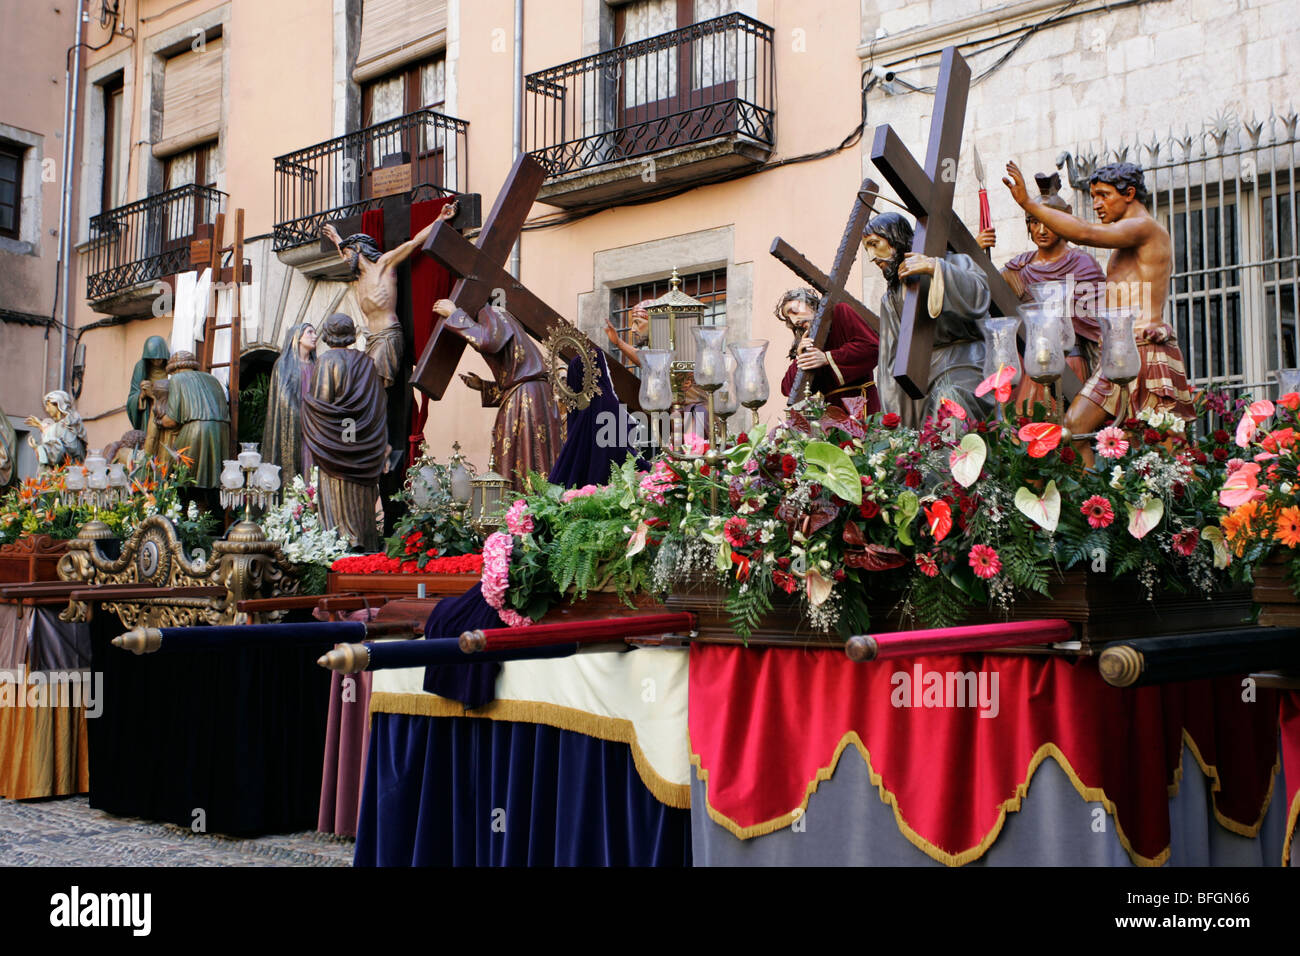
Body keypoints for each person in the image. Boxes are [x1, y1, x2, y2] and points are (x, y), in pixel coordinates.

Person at [1002, 160, 1195, 459]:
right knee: (1075, 427)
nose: (1096, 205)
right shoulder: (1126, 238)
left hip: (1144, 349)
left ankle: (1193, 502)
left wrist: (1028, 202)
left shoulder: (1144, 228)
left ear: (1129, 193)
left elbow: (1087, 233)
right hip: (1117, 353)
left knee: (1167, 448)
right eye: (1093, 196)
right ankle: (1091, 502)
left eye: (1104, 195)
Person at [978, 172, 1106, 412]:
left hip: (1071, 363)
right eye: (1034, 221)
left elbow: (1100, 330)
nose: (1042, 229)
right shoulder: (1017, 268)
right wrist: (975, 251)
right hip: (1029, 368)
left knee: (1071, 436)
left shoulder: (1083, 265)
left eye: (1048, 221)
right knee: (1027, 435)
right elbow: (981, 297)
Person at [861, 212, 992, 427]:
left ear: (896, 239)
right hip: (920, 375)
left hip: (966, 363)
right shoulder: (891, 298)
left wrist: (936, 268)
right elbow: (889, 361)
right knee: (919, 440)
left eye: (875, 244)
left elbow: (980, 295)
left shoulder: (953, 261)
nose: (872, 257)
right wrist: (894, 420)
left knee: (950, 404)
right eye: (867, 249)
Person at [432, 298, 563, 491]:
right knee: (528, 456)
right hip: (529, 394)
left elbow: (488, 341)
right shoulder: (501, 317)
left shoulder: (491, 312)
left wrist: (455, 315)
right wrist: (484, 387)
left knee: (526, 458)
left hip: (525, 398)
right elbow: (514, 378)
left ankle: (523, 510)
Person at [300, 314, 388, 552]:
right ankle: (364, 540)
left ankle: (340, 543)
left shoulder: (326, 361)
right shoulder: (367, 363)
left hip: (335, 445)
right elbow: (378, 405)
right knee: (359, 493)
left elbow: (320, 405)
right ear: (351, 334)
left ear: (328, 335)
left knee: (337, 491)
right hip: (362, 444)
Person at [776, 288, 880, 413]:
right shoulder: (808, 340)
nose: (795, 321)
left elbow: (871, 347)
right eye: (789, 318)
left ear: (809, 303)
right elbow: (789, 390)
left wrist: (827, 358)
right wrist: (800, 357)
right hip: (829, 415)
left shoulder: (840, 311)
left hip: (859, 406)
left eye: (794, 311)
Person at [157, 352, 229, 489]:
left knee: (178, 474)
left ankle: (180, 507)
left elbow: (172, 421)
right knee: (214, 480)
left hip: (197, 428)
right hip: (222, 431)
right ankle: (208, 508)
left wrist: (158, 421)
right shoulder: (212, 379)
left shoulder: (177, 379)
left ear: (174, 369)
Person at [263, 322, 317, 481]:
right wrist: (300, 416)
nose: (315, 336)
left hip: (315, 426)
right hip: (294, 424)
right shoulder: (284, 364)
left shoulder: (317, 365)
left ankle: (311, 500)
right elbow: (283, 399)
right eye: (310, 332)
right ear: (298, 338)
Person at [126, 335, 171, 457]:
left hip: (167, 412)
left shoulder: (171, 367)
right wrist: (141, 396)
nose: (156, 362)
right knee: (150, 443)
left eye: (159, 358)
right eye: (152, 359)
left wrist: (155, 394)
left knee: (166, 445)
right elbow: (131, 398)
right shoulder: (141, 367)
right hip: (150, 412)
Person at [26, 390, 87, 473]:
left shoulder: (65, 425)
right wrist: (42, 427)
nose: (47, 410)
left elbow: (57, 452)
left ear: (58, 404)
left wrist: (37, 447)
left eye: (48, 405)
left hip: (66, 477)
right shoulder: (70, 424)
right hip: (71, 475)